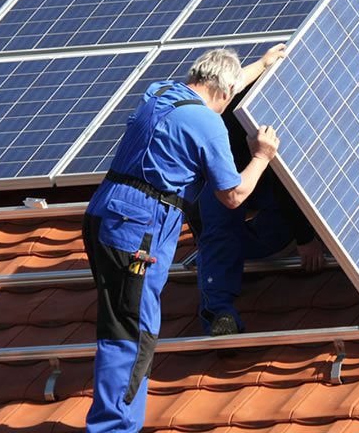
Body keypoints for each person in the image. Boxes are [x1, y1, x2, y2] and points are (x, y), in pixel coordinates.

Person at [81, 44, 286, 432]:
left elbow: (224, 83)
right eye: (229, 96)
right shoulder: (207, 124)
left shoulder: (160, 94)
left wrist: (262, 64)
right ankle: (114, 427)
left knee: (117, 322)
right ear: (224, 94)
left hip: (103, 216)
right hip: (139, 232)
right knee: (134, 329)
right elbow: (233, 196)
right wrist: (261, 156)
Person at [186, 81, 328, 337]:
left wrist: (306, 236)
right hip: (231, 182)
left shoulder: (291, 105)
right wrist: (305, 240)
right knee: (216, 216)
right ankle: (219, 313)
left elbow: (285, 178)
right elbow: (198, 199)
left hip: (269, 185)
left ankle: (256, 244)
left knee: (284, 192)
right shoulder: (219, 125)